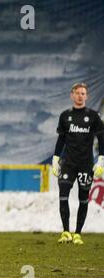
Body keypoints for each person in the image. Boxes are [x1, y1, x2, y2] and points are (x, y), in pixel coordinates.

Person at [52, 82, 104, 245]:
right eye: (77, 93)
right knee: (63, 196)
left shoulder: (94, 116)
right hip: (68, 163)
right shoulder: (65, 116)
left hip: (85, 164)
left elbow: (101, 138)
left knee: (83, 198)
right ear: (72, 95)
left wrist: (101, 158)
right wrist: (55, 158)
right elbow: (61, 139)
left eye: (83, 93)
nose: (80, 96)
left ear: (86, 96)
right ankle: (66, 232)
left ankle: (78, 234)